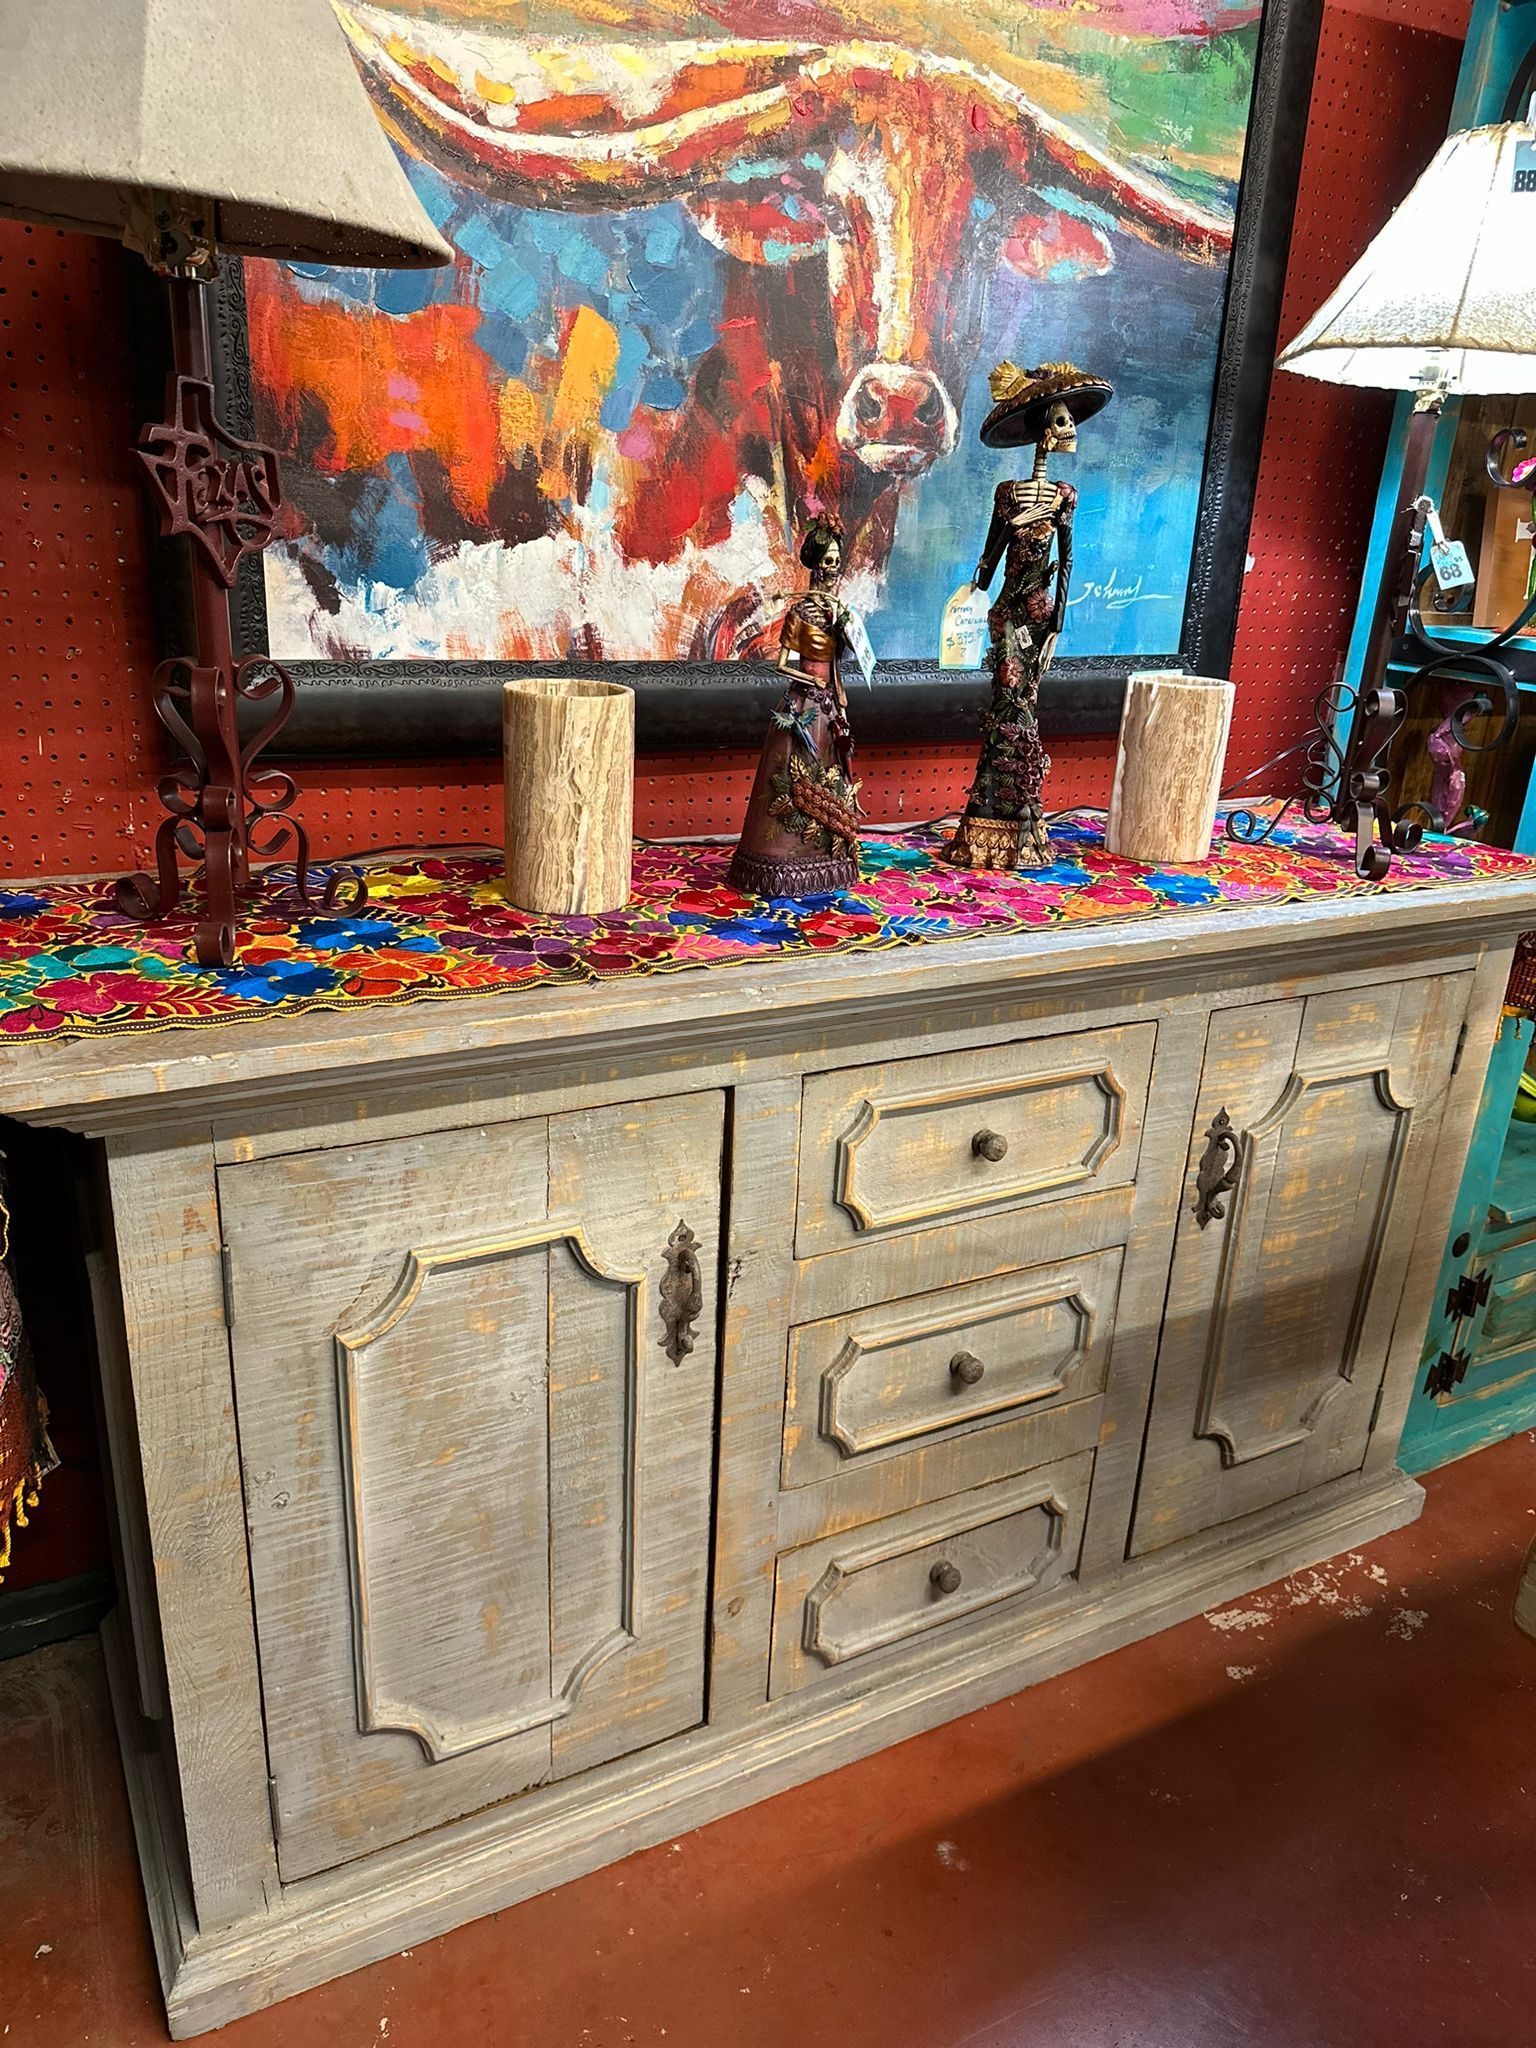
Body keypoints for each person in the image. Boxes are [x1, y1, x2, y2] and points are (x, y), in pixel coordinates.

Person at [727, 516, 863, 898]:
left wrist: (844, 632)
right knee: (791, 768)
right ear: (816, 564)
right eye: (829, 561)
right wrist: (809, 682)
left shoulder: (836, 612)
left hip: (830, 703)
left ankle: (829, 857)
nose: (833, 569)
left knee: (832, 770)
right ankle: (780, 862)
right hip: (804, 703)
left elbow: (843, 660)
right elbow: (783, 663)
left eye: (838, 560)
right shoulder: (801, 612)